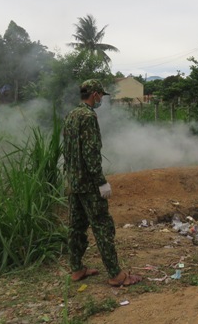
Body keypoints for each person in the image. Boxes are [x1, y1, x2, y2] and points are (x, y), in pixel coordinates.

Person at [62, 79, 141, 286]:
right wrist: (101, 182)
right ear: (95, 94)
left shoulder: (71, 115)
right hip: (88, 184)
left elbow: (67, 150)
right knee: (102, 226)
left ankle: (77, 269)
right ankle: (116, 275)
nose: (101, 100)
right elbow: (91, 153)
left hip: (73, 182)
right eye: (101, 96)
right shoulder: (88, 117)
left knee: (76, 227)